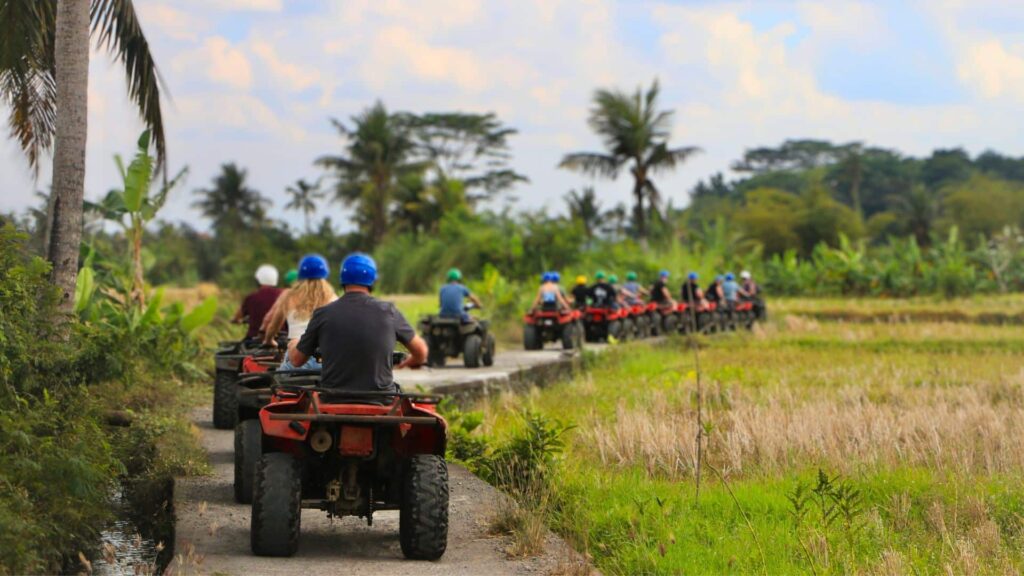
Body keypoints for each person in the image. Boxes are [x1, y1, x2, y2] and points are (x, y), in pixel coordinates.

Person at [290, 253, 428, 393]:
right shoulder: (389, 311)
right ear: (372, 282)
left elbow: (296, 360)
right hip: (381, 400)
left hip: (333, 400)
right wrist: (407, 363)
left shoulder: (322, 314)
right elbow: (421, 351)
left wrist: (293, 343)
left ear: (343, 282)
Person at [264, 254, 338, 370]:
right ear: (325, 274)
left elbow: (274, 326)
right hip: (325, 361)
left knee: (278, 382)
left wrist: (269, 340)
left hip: (295, 358)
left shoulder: (288, 295)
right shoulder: (333, 298)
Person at [232, 264, 283, 340]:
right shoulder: (284, 295)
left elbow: (238, 316)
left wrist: (236, 320)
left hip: (254, 338)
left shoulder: (251, 297)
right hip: (280, 339)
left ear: (258, 280)